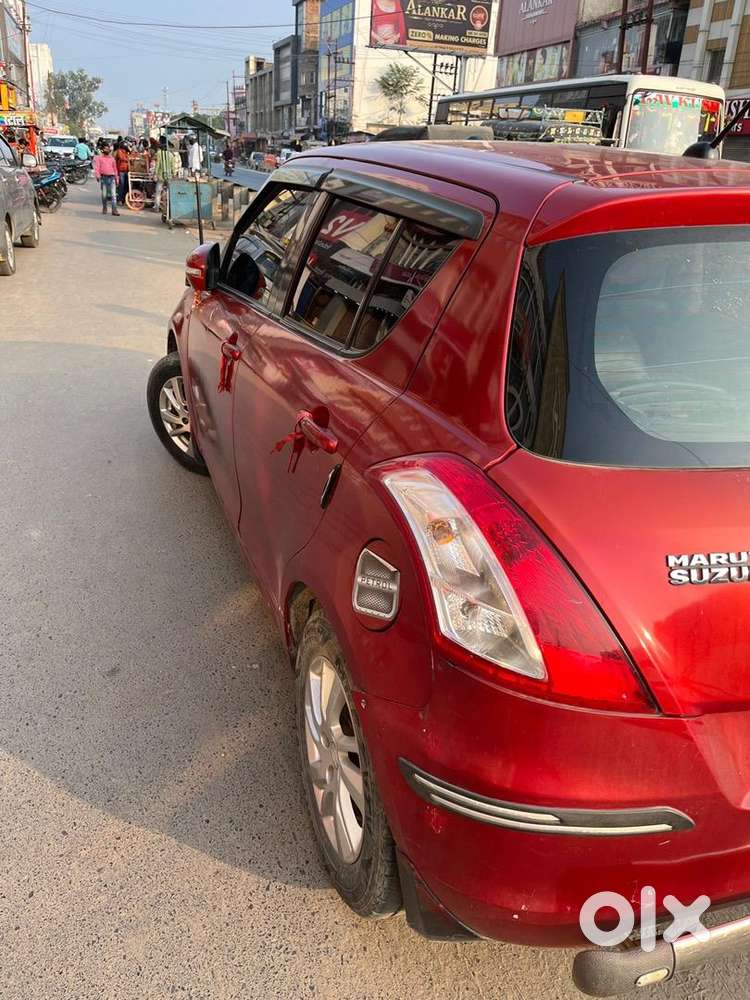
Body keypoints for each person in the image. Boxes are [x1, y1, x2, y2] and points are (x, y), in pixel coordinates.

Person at [93, 142, 120, 215]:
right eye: (105, 149)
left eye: (108, 148)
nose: (107, 150)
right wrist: (97, 176)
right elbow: (97, 168)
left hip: (112, 177)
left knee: (113, 195)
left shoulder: (112, 159)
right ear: (102, 150)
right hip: (103, 178)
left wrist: (117, 179)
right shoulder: (99, 158)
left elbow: (115, 170)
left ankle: (114, 210)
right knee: (104, 195)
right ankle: (104, 208)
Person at [153, 135, 177, 213]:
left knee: (158, 192)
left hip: (160, 176)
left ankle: (157, 207)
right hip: (169, 176)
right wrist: (174, 174)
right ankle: (169, 208)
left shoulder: (159, 153)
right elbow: (173, 167)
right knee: (169, 192)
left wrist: (155, 174)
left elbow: (157, 165)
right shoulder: (171, 155)